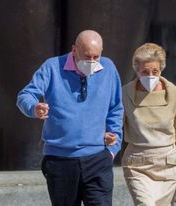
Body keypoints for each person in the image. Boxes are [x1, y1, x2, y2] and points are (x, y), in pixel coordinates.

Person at [16, 30, 123, 206]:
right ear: (74, 50)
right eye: (87, 56)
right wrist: (34, 108)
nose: (92, 62)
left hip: (98, 158)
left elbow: (116, 108)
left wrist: (113, 146)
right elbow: (25, 95)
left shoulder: (108, 68)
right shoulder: (52, 67)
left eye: (97, 56)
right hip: (60, 160)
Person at [121, 43, 176, 205]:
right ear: (136, 70)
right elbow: (115, 124)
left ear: (161, 69)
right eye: (144, 72)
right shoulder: (125, 93)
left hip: (168, 164)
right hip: (137, 164)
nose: (150, 75)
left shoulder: (174, 93)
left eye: (155, 71)